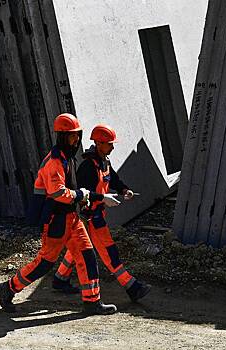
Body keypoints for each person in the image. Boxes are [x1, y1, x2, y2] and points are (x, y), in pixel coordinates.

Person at [0, 114, 120, 315]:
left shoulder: (66, 158)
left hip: (71, 219)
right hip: (56, 220)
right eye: (72, 136)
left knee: (87, 257)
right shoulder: (55, 162)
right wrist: (83, 194)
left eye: (77, 135)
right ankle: (8, 288)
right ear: (62, 136)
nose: (76, 140)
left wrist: (89, 197)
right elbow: (58, 193)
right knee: (44, 263)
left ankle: (92, 302)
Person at [51, 124, 151, 302]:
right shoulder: (88, 167)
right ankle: (132, 287)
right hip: (89, 217)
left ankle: (60, 278)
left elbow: (113, 179)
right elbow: (82, 193)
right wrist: (103, 197)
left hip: (93, 216)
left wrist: (124, 190)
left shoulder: (103, 162)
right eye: (109, 144)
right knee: (108, 251)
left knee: (77, 250)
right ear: (98, 143)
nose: (112, 147)